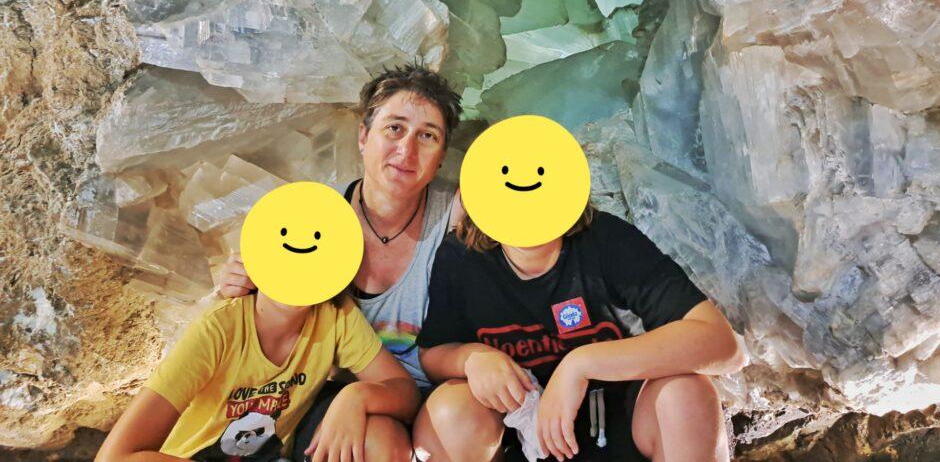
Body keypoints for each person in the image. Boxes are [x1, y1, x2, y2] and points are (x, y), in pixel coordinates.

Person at [217, 64, 465, 460]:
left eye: (428, 136)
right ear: (364, 137)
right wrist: (241, 286)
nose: (407, 150)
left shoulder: (456, 217)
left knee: (464, 422)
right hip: (343, 395)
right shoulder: (313, 219)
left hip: (438, 393)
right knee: (377, 442)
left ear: (441, 157)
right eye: (394, 128)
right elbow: (259, 324)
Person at [412, 203, 747, 462]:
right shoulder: (461, 258)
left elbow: (722, 345)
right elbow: (433, 354)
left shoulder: (606, 239)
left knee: (686, 393)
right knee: (449, 409)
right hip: (521, 434)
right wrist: (472, 358)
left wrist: (580, 364)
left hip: (619, 422)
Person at [95, 286, 420, 462]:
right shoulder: (219, 329)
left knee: (382, 437)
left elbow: (404, 392)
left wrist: (357, 395)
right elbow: (114, 457)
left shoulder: (334, 315)